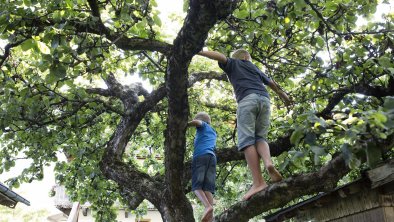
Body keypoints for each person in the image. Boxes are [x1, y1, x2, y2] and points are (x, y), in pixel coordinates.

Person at [198, 49, 291, 200]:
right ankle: (268, 163)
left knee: (247, 139)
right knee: (260, 137)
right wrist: (284, 96)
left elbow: (221, 56)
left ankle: (258, 182)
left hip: (248, 100)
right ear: (248, 57)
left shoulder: (234, 63)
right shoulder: (255, 68)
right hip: (265, 101)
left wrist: (200, 52)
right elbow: (272, 84)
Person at [188, 112, 217, 222]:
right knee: (207, 189)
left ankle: (207, 206)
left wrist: (187, 124)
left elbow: (197, 122)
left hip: (201, 156)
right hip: (212, 158)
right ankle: (211, 217)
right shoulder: (213, 132)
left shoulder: (203, 126)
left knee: (196, 187)